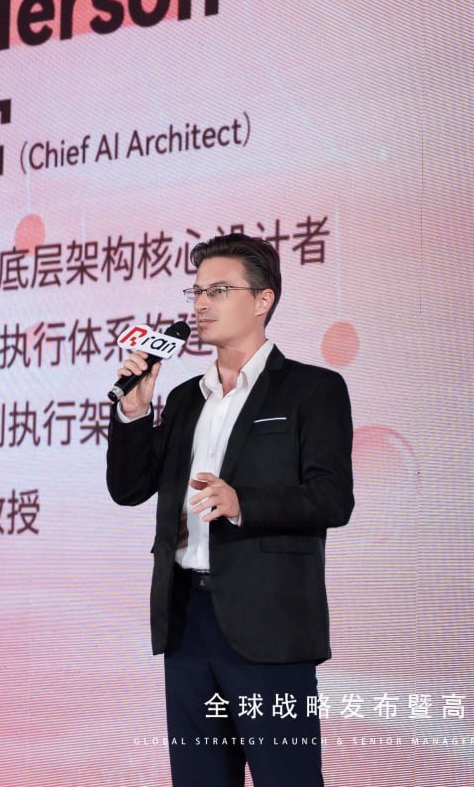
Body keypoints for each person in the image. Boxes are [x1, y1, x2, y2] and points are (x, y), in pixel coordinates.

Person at [105, 232, 354, 787]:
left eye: (218, 290)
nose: (200, 304)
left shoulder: (312, 390)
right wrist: (135, 413)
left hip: (269, 626)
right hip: (187, 622)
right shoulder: (186, 398)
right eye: (196, 292)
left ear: (263, 300)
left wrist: (244, 503)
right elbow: (129, 488)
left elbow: (333, 497)